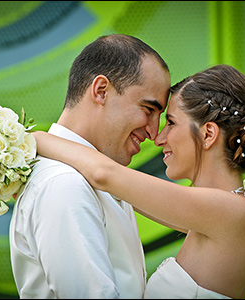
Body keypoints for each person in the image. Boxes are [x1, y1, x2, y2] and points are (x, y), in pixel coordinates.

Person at [31, 64, 245, 299]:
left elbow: (105, 175)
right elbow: (116, 191)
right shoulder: (214, 211)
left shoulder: (232, 212)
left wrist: (32, 140)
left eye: (170, 123)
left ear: (208, 134)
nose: (158, 138)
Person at [9, 34, 171, 298]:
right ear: (100, 91)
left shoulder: (97, 173)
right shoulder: (63, 184)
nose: (154, 132)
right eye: (148, 109)